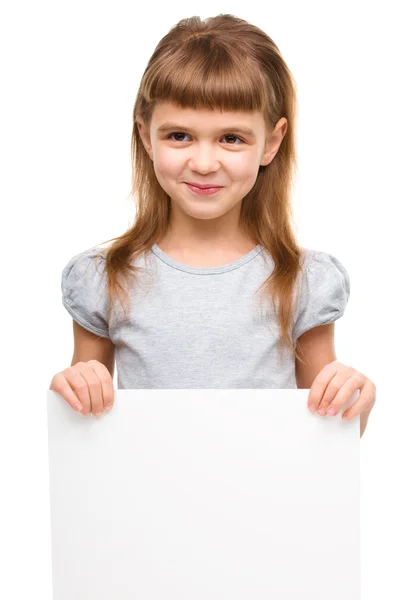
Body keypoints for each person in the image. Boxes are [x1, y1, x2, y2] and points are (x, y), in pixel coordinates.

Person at [49, 14, 376, 436]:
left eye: (232, 138)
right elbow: (83, 423)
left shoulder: (301, 281)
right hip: (145, 500)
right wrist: (74, 388)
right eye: (179, 136)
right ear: (146, 136)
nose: (203, 164)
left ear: (271, 143)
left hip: (266, 499)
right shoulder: (104, 278)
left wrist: (355, 399)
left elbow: (329, 427)